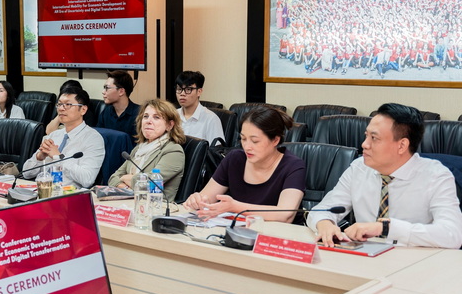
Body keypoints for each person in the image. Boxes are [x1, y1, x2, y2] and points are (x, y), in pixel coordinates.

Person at [308, 103, 462, 248]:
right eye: (366, 136)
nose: (364, 144)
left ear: (402, 145)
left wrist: (386, 228)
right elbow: (322, 210)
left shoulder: (436, 176)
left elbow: (453, 234)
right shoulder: (359, 168)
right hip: (364, 256)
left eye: (374, 138)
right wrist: (325, 224)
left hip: (415, 260)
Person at [183, 105, 306, 223]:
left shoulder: (293, 166)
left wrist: (235, 207)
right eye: (243, 139)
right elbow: (207, 198)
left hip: (279, 234)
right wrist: (198, 200)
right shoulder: (234, 159)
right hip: (238, 231)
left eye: (255, 141)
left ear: (275, 140)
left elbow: (285, 215)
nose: (247, 147)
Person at [23, 88, 105, 189]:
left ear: (83, 110)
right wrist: (39, 157)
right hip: (40, 189)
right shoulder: (54, 135)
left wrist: (58, 157)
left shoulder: (93, 139)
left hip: (67, 194)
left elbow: (87, 180)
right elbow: (26, 174)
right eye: (59, 104)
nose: (61, 108)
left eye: (68, 104)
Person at [108, 99, 186, 200]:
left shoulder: (173, 151)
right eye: (145, 116)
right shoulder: (139, 148)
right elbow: (113, 178)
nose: (148, 121)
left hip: (155, 206)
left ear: (169, 125)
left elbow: (150, 183)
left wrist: (125, 178)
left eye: (156, 117)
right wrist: (128, 188)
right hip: (129, 202)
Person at [174, 71, 224, 143]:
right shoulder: (172, 115)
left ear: (199, 91)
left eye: (188, 89)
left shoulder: (211, 119)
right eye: (179, 89)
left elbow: (216, 148)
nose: (182, 93)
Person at [97, 70, 140, 138]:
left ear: (121, 91)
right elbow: (98, 137)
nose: (103, 92)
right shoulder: (106, 112)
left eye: (107, 88)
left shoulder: (139, 114)